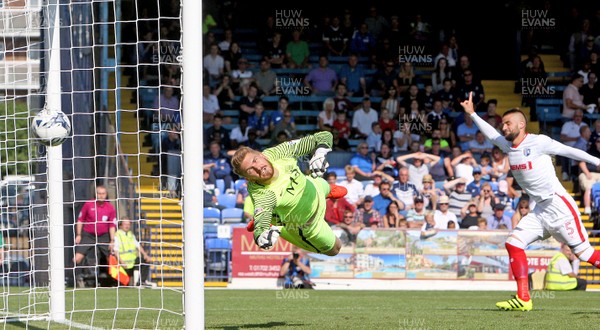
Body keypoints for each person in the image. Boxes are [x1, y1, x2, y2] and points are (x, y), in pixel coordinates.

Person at [461, 92, 600, 311]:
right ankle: (524, 298)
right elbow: (491, 135)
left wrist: (597, 161)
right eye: (503, 124)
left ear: (521, 124)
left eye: (508, 123)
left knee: (586, 255)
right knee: (513, 243)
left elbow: (569, 151)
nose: (504, 127)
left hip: (559, 206)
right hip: (540, 210)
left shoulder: (539, 142)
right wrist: (473, 114)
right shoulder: (509, 147)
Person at [231, 131, 347, 256]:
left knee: (325, 185)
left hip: (314, 186)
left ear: (262, 155)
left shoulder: (279, 152)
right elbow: (260, 232)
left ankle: (326, 191)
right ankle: (276, 223)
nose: (258, 167)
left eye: (255, 160)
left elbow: (324, 136)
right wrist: (261, 236)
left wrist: (319, 153)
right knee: (335, 249)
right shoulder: (264, 195)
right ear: (249, 179)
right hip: (308, 224)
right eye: (250, 170)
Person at [74, 185, 117, 288]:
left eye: (103, 193)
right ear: (95, 194)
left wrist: (112, 240)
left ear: (106, 195)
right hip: (88, 235)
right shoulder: (89, 204)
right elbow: (80, 220)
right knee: (77, 258)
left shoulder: (110, 208)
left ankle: (114, 281)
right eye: (99, 193)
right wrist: (79, 235)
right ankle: (76, 279)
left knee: (111, 257)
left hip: (104, 236)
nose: (101, 195)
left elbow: (112, 225)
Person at [113, 218, 154, 287]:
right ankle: (137, 283)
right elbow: (115, 250)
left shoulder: (131, 234)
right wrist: (121, 261)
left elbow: (138, 245)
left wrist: (145, 255)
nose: (127, 226)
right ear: (120, 225)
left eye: (128, 224)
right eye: (125, 224)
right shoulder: (117, 235)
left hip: (132, 262)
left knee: (144, 260)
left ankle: (141, 282)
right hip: (122, 264)